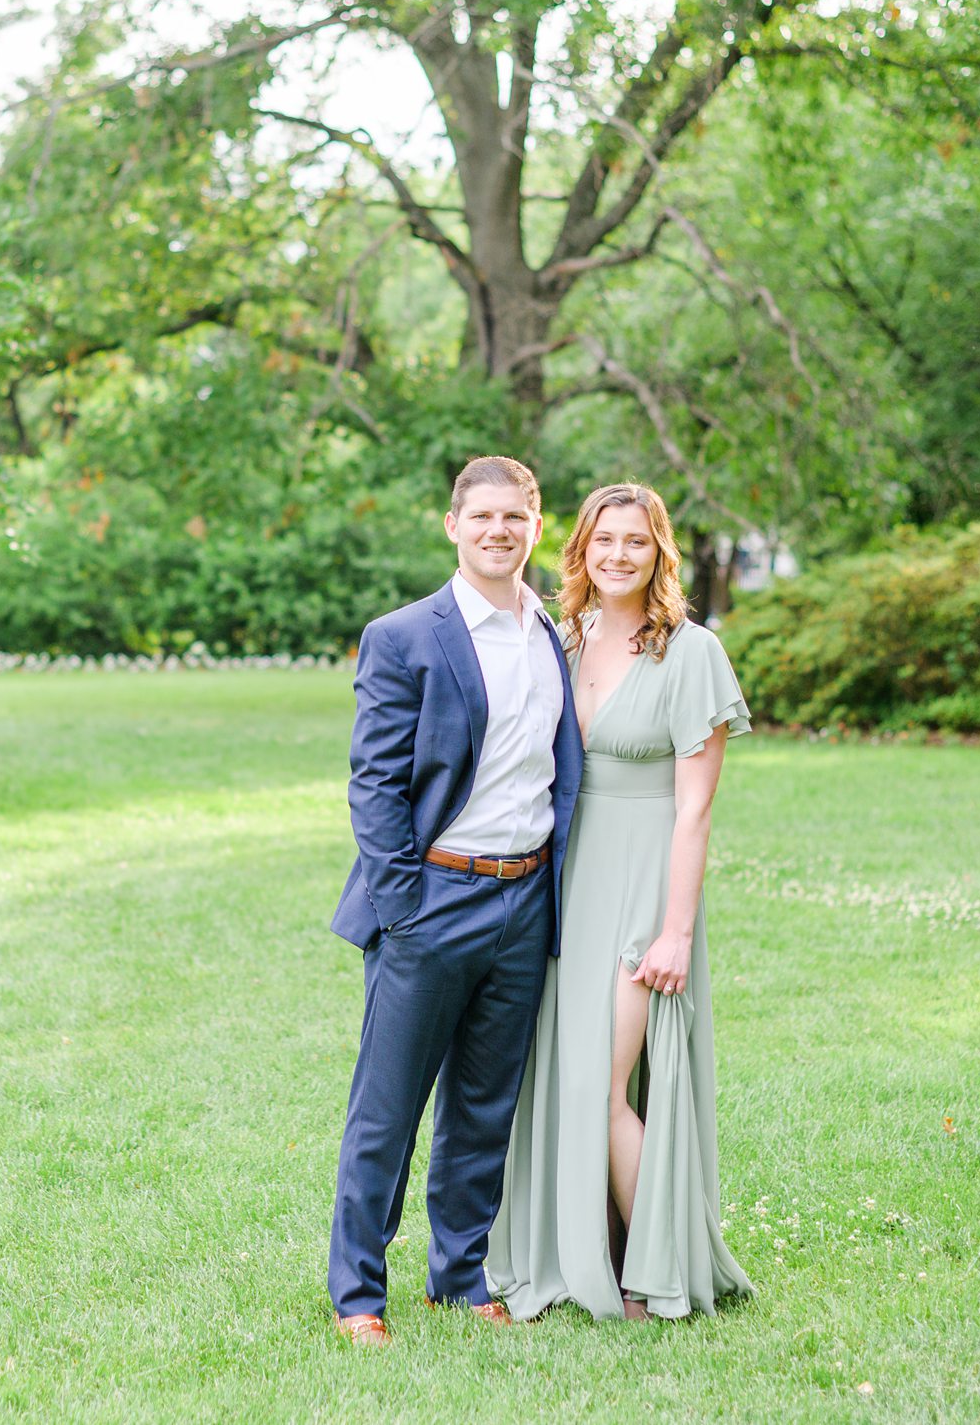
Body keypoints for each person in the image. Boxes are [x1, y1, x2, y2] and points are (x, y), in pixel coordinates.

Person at [327, 456, 584, 1348]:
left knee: (484, 1106)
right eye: (482, 517)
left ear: (535, 526)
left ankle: (459, 1277)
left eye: (515, 517)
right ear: (452, 524)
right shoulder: (404, 635)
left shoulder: (553, 630)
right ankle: (359, 1295)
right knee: (387, 1111)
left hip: (524, 902)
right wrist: (404, 909)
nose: (498, 531)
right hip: (432, 898)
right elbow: (375, 785)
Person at [486, 482, 754, 1322]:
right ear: (581, 549)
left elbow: (695, 810)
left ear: (659, 551)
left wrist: (674, 929)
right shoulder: (561, 639)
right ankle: (580, 1249)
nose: (618, 555)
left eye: (636, 541)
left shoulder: (690, 652)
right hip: (563, 881)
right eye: (604, 540)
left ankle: (657, 1269)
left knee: (605, 1085)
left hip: (643, 884)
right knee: (565, 1078)